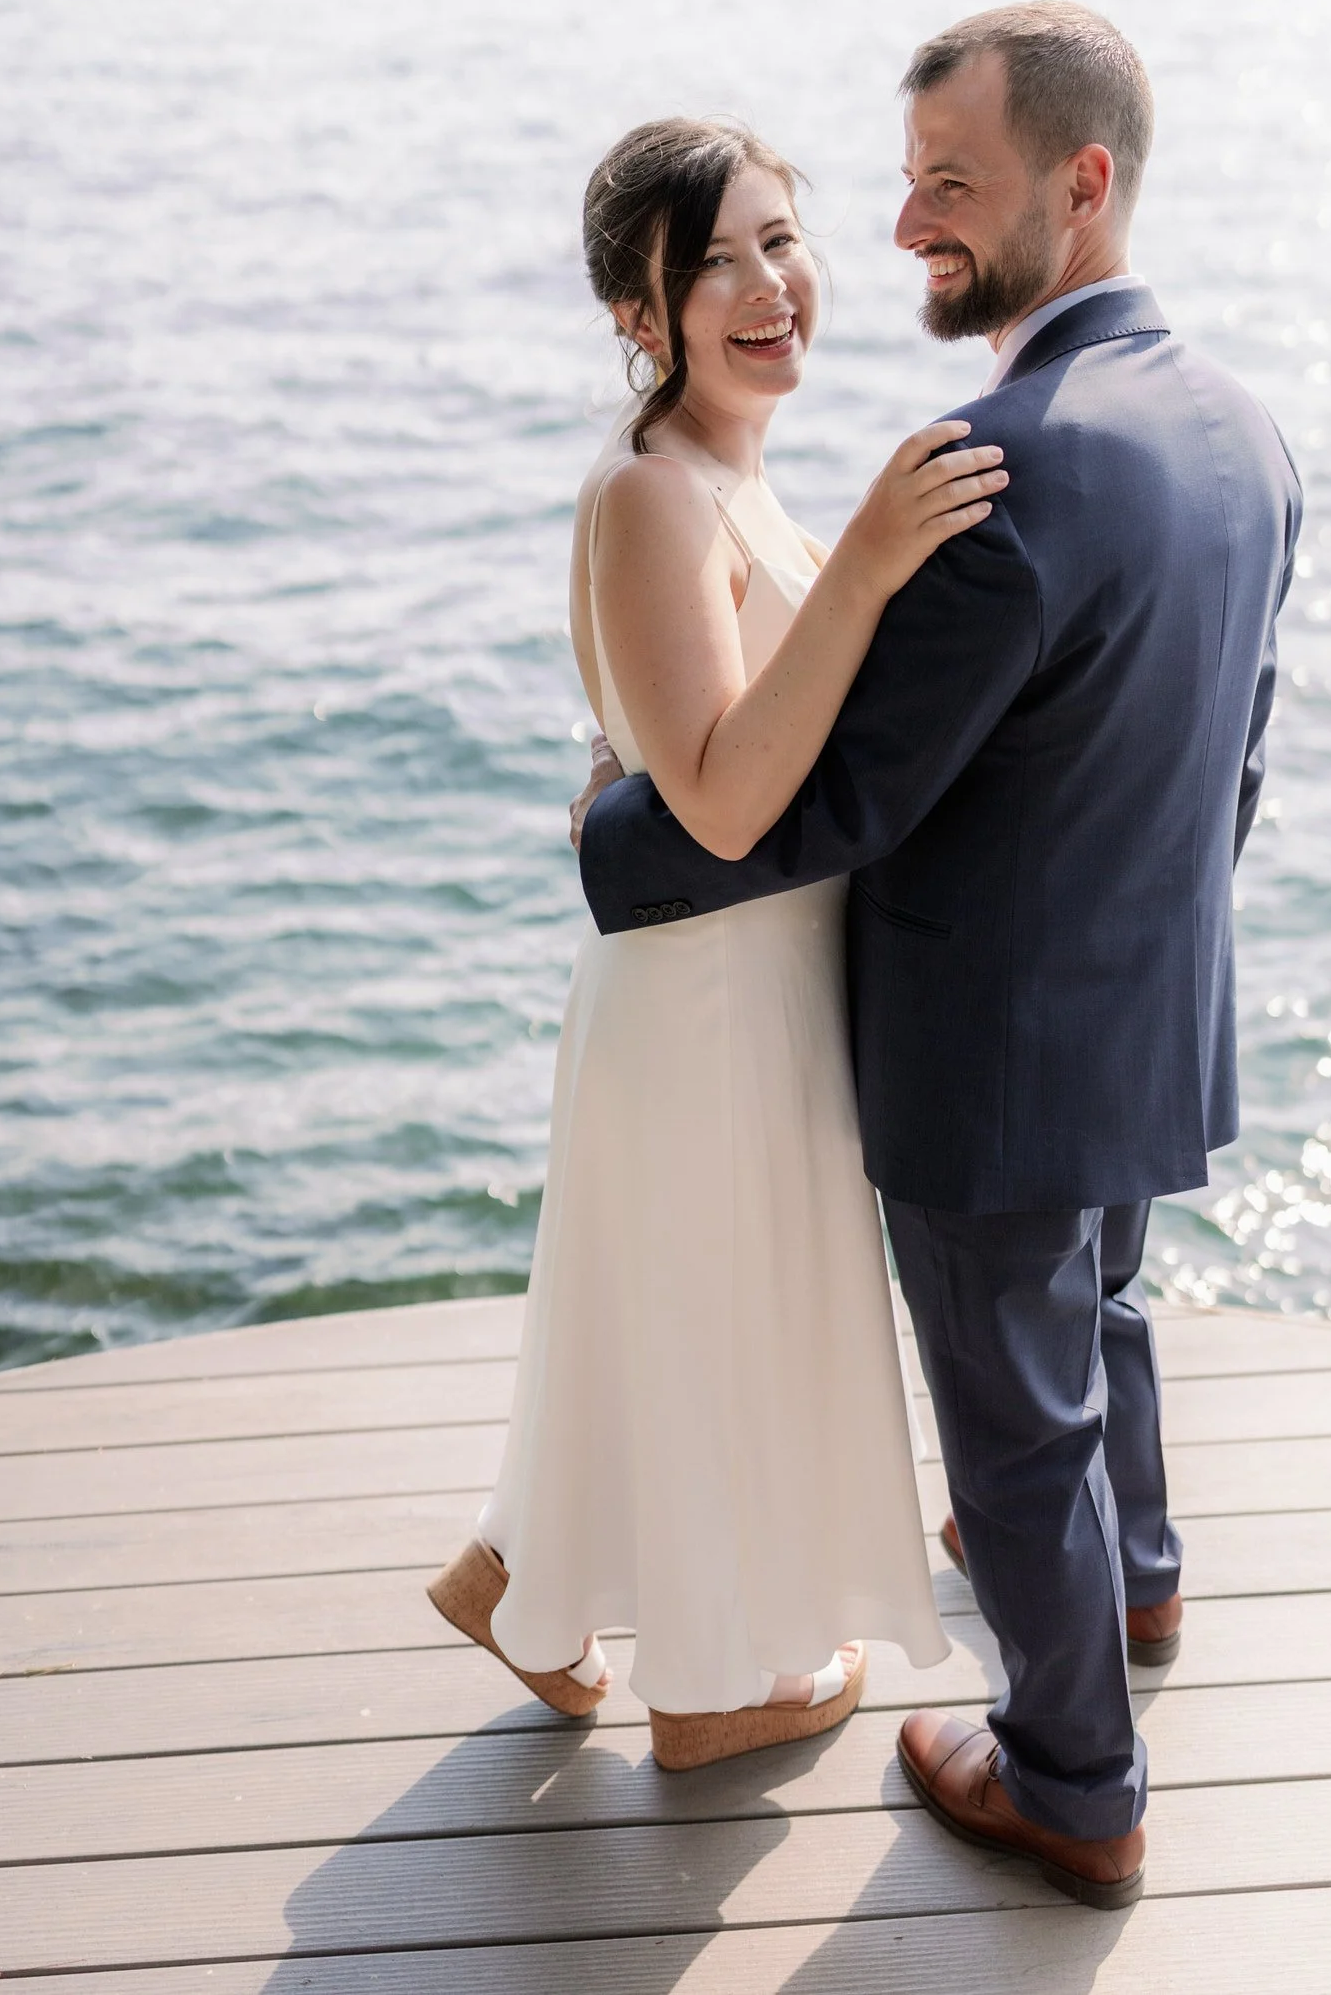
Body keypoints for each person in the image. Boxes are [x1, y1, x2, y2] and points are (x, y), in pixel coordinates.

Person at [576, 2, 1301, 1905]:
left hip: (994, 1052)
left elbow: (840, 802)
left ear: (1082, 184)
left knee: (1015, 1410)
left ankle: (1073, 1777)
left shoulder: (1005, 466)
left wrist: (613, 841)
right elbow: (1234, 750)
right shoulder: (1241, 427)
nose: (907, 231)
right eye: (900, 187)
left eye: (950, 188)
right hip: (1149, 1009)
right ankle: (1136, 1593)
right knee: (1106, 1325)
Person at [427, 116, 1007, 1768]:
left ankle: (513, 1577)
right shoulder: (653, 497)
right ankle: (713, 1693)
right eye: (714, 266)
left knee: (674, 1311)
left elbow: (705, 741)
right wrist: (880, 558)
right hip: (704, 993)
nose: (768, 287)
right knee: (710, 1324)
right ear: (641, 314)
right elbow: (730, 801)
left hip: (751, 984)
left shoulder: (735, 480)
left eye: (779, 240)